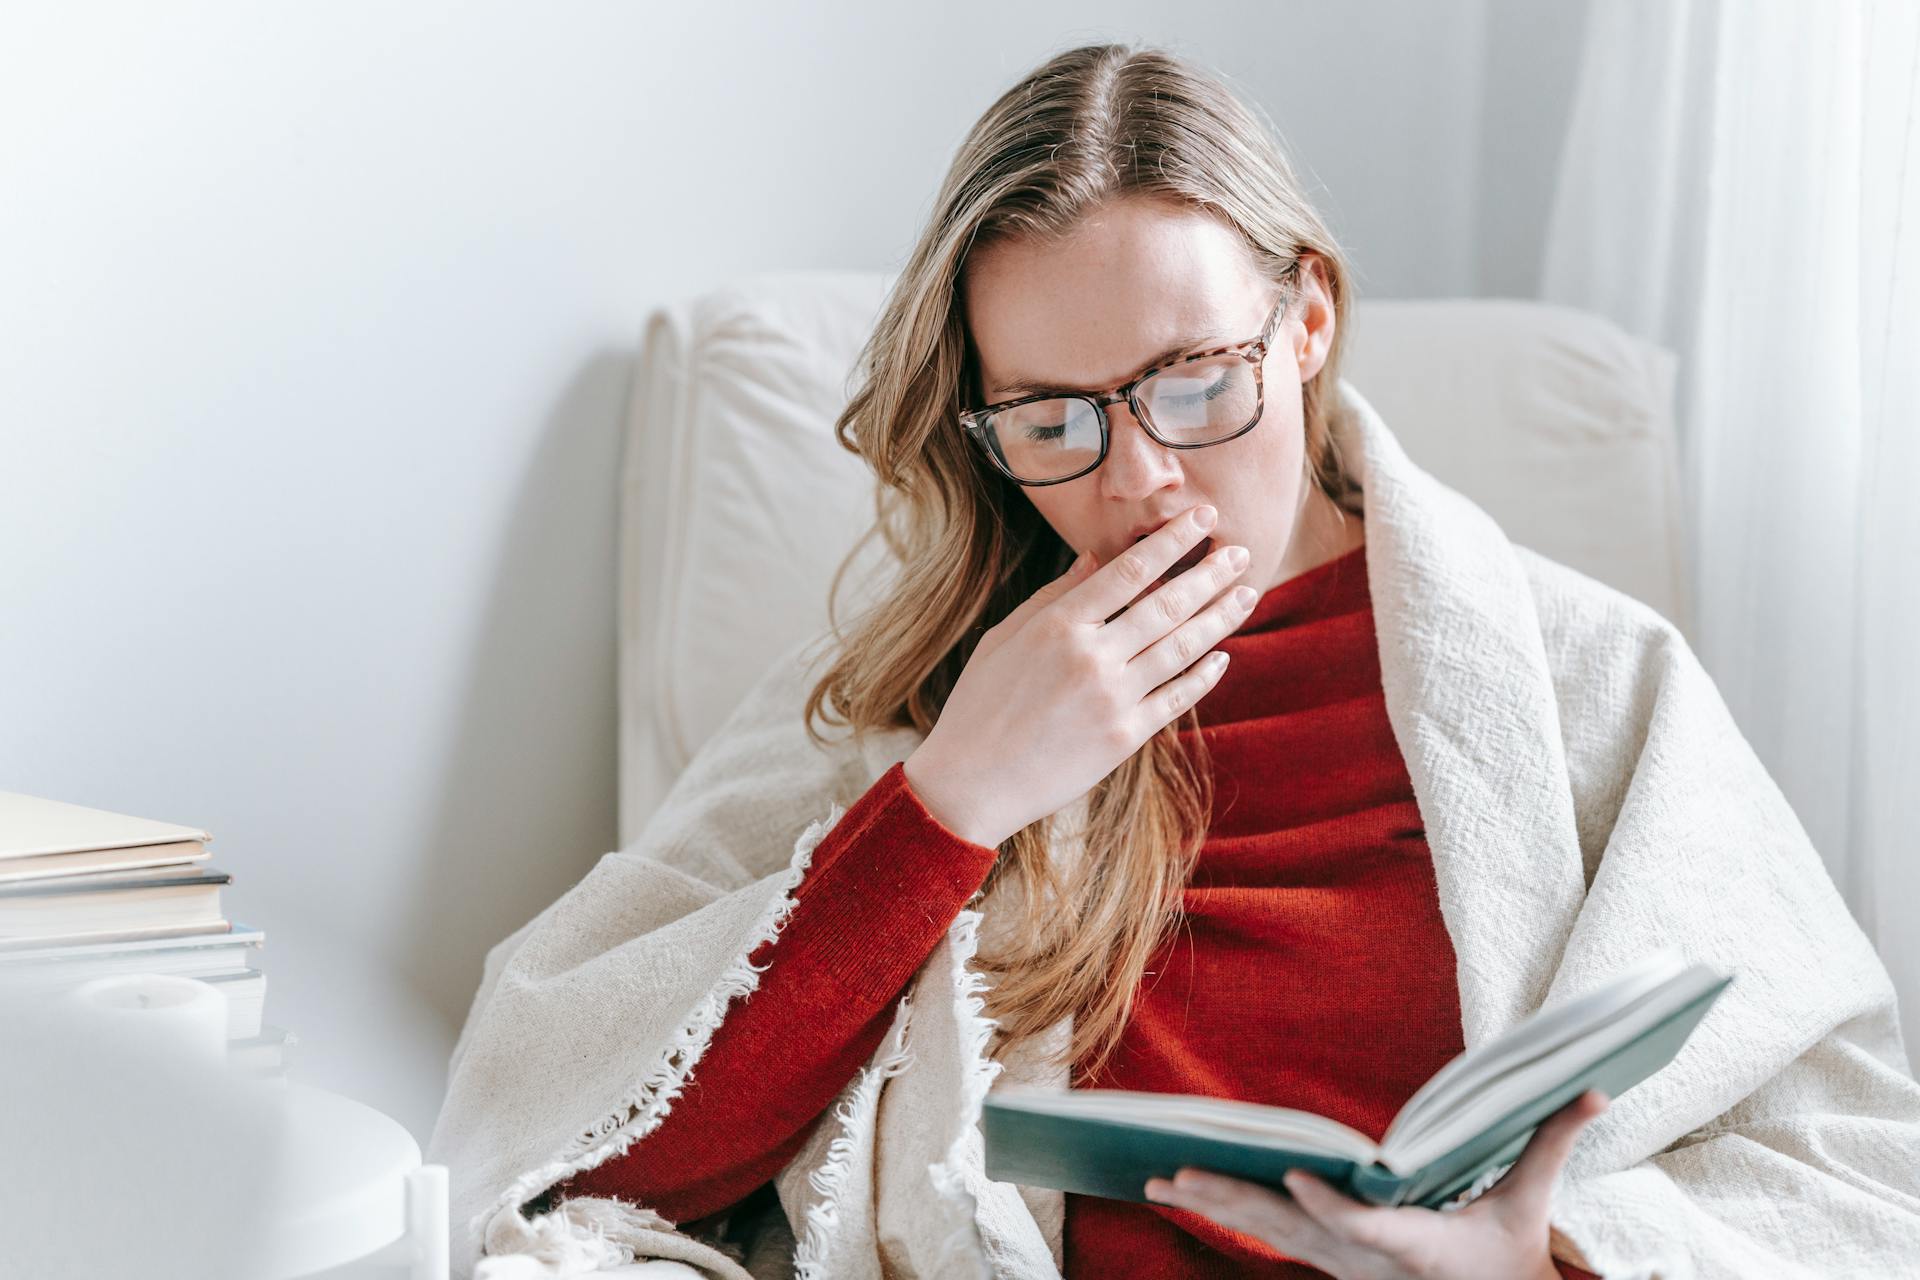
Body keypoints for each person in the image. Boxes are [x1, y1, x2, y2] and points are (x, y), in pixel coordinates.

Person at [428, 43, 1920, 1280]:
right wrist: (954, 802)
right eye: (1053, 419)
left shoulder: (1591, 674)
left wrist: (1548, 1264)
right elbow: (571, 1152)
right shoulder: (922, 698)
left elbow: (1853, 1167)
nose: (1141, 481)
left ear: (1309, 322)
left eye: (1195, 382)